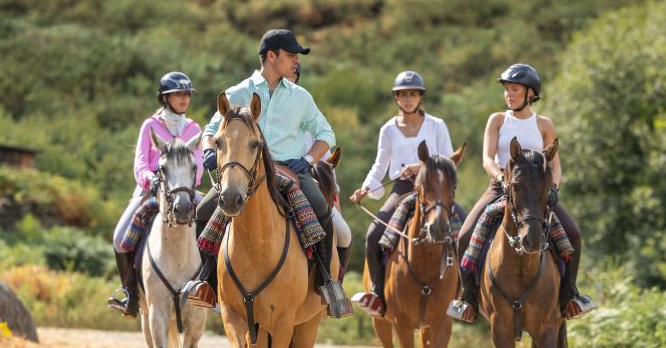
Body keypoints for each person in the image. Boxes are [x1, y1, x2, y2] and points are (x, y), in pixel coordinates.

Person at [182, 29, 351, 317]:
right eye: (291, 55)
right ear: (271, 56)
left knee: (322, 210)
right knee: (203, 211)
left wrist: (308, 159)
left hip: (291, 170)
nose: (296, 60)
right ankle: (207, 283)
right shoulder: (237, 93)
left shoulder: (301, 97)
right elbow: (210, 131)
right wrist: (210, 150)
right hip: (244, 172)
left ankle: (328, 284)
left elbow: (326, 134)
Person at [447, 63, 593, 323]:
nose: (508, 94)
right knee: (465, 236)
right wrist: (501, 180)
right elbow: (487, 159)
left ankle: (569, 295)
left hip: (537, 193)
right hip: (501, 187)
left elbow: (555, 166)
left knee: (573, 233)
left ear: (530, 93)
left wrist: (553, 189)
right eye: (506, 89)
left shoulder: (544, 124)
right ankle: (468, 299)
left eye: (514, 89)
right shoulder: (497, 120)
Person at [348, 70, 458, 317]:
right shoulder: (388, 129)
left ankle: (464, 296)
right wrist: (366, 188)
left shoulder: (437, 125)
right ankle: (377, 293)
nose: (408, 99)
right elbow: (380, 165)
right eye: (403, 95)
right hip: (402, 190)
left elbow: (449, 159)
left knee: (464, 231)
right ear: (396, 98)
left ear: (421, 97)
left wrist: (421, 167)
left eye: (413, 94)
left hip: (435, 189)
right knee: (373, 235)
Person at [107, 72, 204, 317]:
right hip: (150, 190)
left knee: (216, 222)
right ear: (165, 98)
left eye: (187, 94)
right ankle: (130, 294)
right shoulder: (150, 125)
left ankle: (211, 288)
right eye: (178, 94)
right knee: (119, 239)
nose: (184, 98)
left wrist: (188, 183)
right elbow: (140, 163)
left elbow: (199, 166)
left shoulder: (194, 129)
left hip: (184, 190)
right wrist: (151, 179)